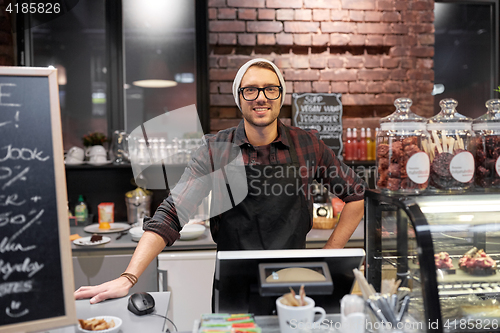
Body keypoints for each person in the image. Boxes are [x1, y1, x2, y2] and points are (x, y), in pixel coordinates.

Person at [74, 58, 366, 304]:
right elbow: (172, 213)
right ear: (238, 98)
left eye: (270, 89)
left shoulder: (309, 145)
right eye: (250, 89)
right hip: (233, 285)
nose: (261, 97)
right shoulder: (215, 150)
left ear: (281, 96)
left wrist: (329, 255)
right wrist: (129, 277)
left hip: (293, 281)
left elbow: (356, 195)